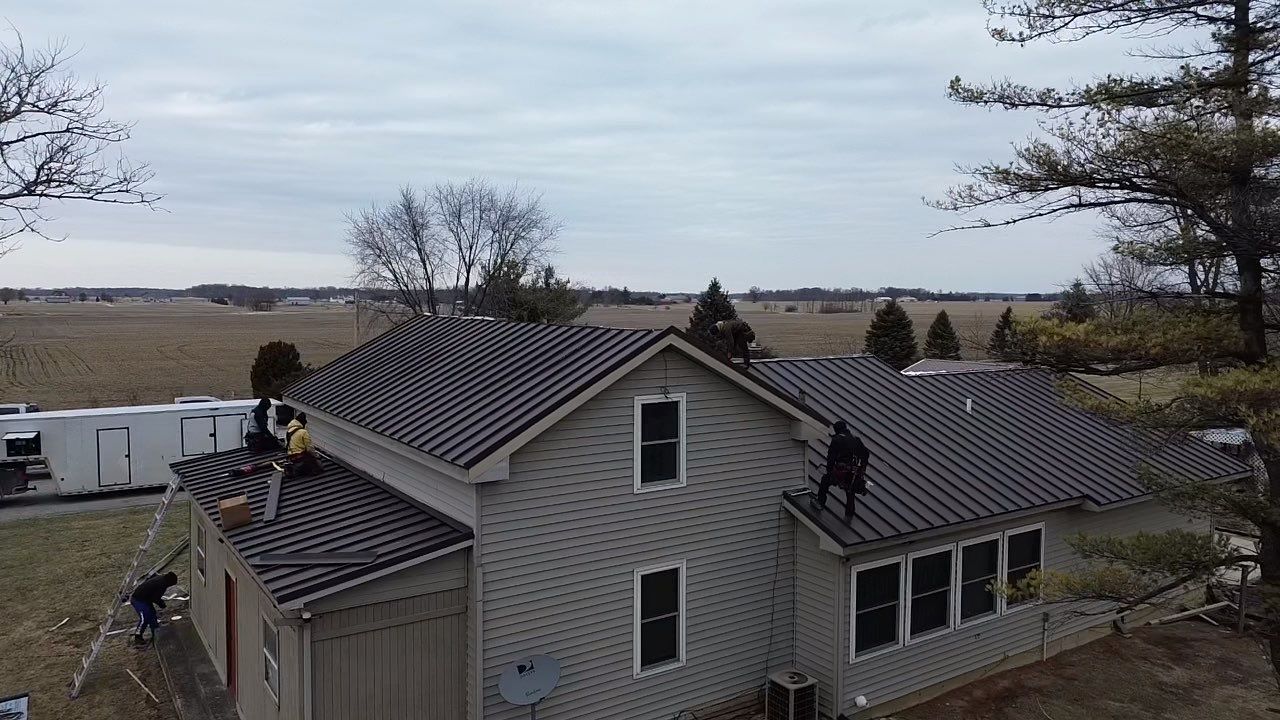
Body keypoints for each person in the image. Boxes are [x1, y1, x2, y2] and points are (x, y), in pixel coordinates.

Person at [812, 420, 871, 522]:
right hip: (854, 474)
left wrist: (830, 471)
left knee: (825, 480)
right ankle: (849, 514)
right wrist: (862, 468)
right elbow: (865, 454)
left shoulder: (837, 440)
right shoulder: (856, 439)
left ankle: (820, 503)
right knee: (850, 492)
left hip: (841, 472)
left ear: (836, 430)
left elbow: (831, 458)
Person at [130, 571, 178, 645]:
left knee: (152, 616)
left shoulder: (161, 578)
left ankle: (155, 633)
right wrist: (162, 604)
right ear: (170, 582)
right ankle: (138, 636)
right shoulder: (162, 584)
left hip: (145, 599)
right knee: (144, 618)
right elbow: (155, 598)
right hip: (138, 599)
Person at [285, 412, 321, 477]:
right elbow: (309, 448)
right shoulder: (303, 432)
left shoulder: (288, 432)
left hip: (291, 459)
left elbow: (286, 446)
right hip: (301, 458)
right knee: (319, 467)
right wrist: (316, 456)